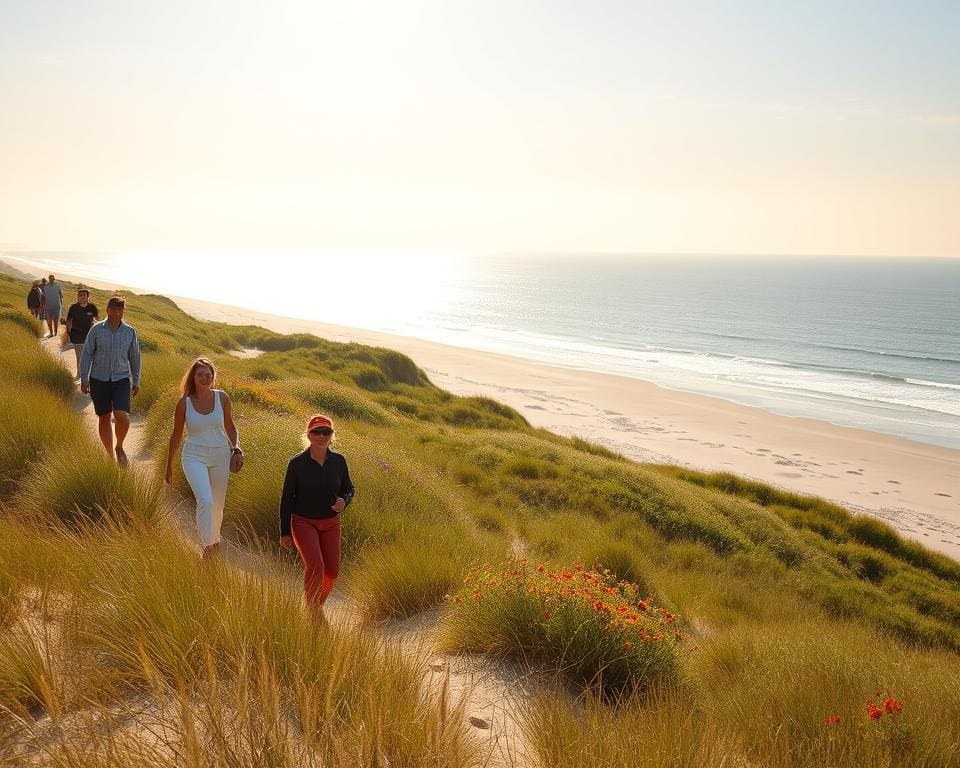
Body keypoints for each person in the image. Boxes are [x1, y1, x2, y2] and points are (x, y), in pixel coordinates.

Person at [164, 357, 241, 560]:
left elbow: (231, 428)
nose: (206, 378)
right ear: (193, 377)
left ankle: (213, 544)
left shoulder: (222, 398)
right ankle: (208, 547)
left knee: (217, 504)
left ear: (213, 376)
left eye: (209, 374)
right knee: (205, 500)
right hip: (193, 455)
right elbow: (176, 435)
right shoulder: (184, 403)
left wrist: (236, 448)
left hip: (220, 455)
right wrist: (169, 465)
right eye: (201, 375)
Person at [279, 414, 355, 614]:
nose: (322, 436)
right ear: (308, 435)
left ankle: (316, 606)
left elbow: (349, 489)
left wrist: (344, 501)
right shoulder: (297, 464)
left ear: (332, 435)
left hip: (331, 524)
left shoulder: (339, 461)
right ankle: (313, 611)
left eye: (326, 432)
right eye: (317, 432)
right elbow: (287, 498)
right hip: (304, 522)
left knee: (332, 572)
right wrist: (285, 532)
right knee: (316, 567)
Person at [79, 296, 141, 466]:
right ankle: (109, 455)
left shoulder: (130, 332)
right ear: (107, 310)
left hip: (121, 379)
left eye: (120, 310)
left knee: (122, 416)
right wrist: (84, 379)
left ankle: (119, 446)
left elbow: (134, 357)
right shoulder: (96, 330)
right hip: (99, 379)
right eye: (113, 309)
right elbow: (87, 353)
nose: (117, 313)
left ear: (123, 312)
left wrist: (136, 380)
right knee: (104, 417)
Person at [65, 289, 99, 380]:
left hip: (89, 337)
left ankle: (87, 375)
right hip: (76, 337)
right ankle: (79, 374)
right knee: (79, 357)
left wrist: (94, 324)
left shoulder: (92, 307)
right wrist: (67, 334)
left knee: (89, 357)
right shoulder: (73, 308)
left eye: (83, 295)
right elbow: (68, 321)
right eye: (79, 295)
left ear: (88, 297)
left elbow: (97, 320)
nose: (80, 296)